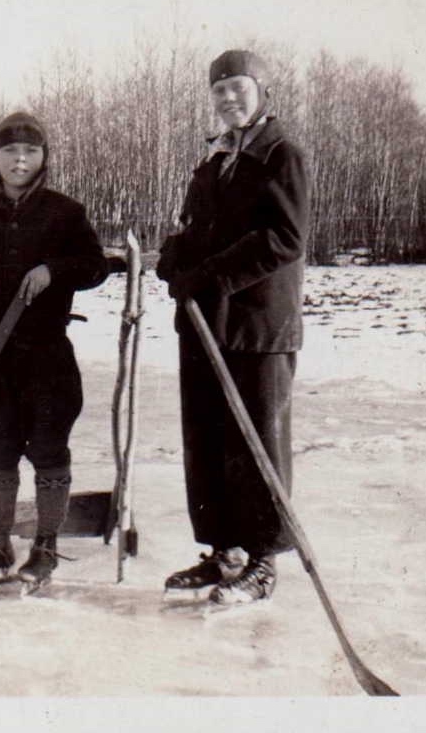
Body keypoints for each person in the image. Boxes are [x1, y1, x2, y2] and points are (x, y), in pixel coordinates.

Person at [157, 50, 309, 606]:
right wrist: (173, 258)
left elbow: (283, 239)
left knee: (257, 443)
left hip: (256, 325)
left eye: (238, 87)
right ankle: (225, 553)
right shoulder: (212, 163)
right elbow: (195, 229)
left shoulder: (281, 156)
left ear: (262, 91)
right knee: (208, 440)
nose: (228, 99)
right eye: (218, 90)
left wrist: (208, 276)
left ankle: (263, 559)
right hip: (204, 322)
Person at [0, 111, 110, 590]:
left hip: (47, 360)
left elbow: (94, 266)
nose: (20, 160)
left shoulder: (65, 212)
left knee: (48, 449)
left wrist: (53, 270)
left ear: (43, 159)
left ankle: (44, 546)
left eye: (31, 152)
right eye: (10, 152)